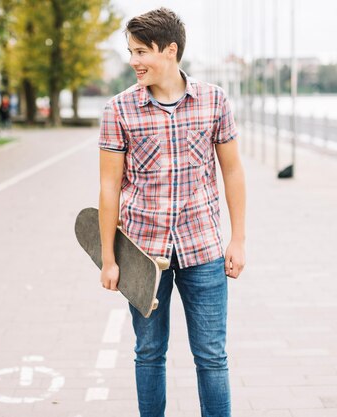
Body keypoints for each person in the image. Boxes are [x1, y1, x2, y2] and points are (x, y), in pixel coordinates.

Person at [97, 7, 246, 417]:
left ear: (170, 50)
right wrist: (110, 259)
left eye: (141, 51)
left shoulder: (214, 100)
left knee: (212, 356)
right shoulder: (119, 110)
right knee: (148, 353)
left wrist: (238, 239)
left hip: (204, 249)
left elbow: (232, 171)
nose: (134, 61)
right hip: (144, 254)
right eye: (130, 51)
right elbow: (109, 186)